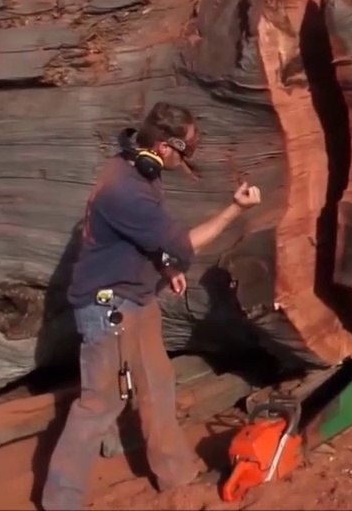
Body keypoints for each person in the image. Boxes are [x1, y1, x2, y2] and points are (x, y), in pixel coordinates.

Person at [41, 102, 262, 511]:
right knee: (100, 403)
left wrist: (165, 265)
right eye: (186, 151)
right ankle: (60, 499)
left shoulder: (134, 171)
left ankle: (175, 470)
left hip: (137, 298)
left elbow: (147, 242)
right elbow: (185, 242)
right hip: (106, 306)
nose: (187, 160)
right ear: (163, 146)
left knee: (157, 384)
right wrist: (236, 209)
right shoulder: (127, 191)